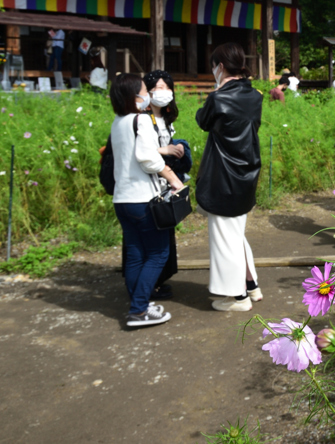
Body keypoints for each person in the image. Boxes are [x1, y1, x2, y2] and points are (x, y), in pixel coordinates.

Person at [109, 73, 185, 327]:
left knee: (135, 254)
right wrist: (174, 179)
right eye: (144, 91)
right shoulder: (141, 120)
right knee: (158, 253)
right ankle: (139, 311)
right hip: (143, 199)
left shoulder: (118, 122)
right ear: (134, 96)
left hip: (122, 200)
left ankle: (139, 304)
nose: (148, 95)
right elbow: (148, 158)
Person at [196, 43, 264, 312]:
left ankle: (237, 298)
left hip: (223, 177)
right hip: (247, 172)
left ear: (220, 66)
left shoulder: (218, 98)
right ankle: (251, 285)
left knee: (225, 238)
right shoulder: (255, 95)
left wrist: (216, 92)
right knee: (235, 234)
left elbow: (203, 121)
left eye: (214, 66)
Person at [136, 70, 191, 300]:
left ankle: (157, 282)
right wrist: (165, 150)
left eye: (167, 87)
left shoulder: (166, 120)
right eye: (158, 87)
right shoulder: (141, 118)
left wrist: (176, 149)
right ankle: (145, 289)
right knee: (150, 242)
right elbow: (141, 151)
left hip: (162, 186)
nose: (164, 92)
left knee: (163, 235)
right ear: (147, 91)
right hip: (147, 185)